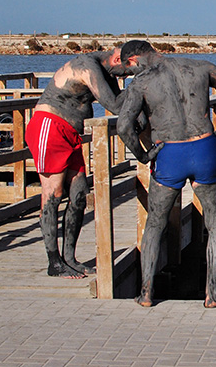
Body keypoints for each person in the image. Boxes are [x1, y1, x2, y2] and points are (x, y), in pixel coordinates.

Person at [116, 40, 216, 308]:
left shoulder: (141, 83)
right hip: (205, 148)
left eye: (127, 69)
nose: (129, 74)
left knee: (155, 224)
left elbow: (123, 127)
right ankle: (212, 294)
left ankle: (146, 293)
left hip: (170, 153)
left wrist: (143, 156)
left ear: (133, 60)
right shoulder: (198, 66)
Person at [25, 43, 136, 278]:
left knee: (79, 196)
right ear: (117, 59)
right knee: (53, 194)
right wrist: (140, 88)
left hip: (71, 133)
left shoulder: (107, 71)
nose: (125, 77)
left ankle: (70, 258)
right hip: (49, 125)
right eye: (126, 72)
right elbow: (114, 104)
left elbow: (119, 98)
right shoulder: (88, 66)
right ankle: (54, 263)